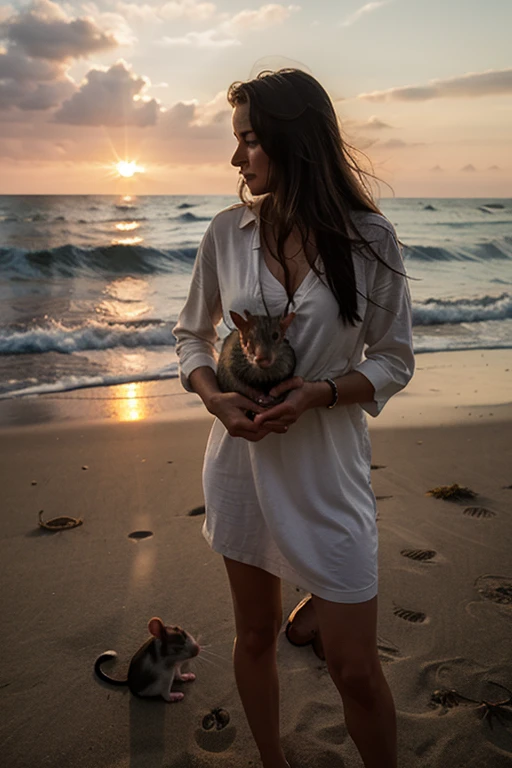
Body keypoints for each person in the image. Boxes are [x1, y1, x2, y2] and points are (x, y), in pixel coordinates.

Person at [172, 68, 414, 768]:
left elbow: (394, 359)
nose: (235, 157)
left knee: (357, 672)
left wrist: (322, 393)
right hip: (239, 467)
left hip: (326, 476)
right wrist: (214, 397)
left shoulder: (369, 239)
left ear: (291, 141)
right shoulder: (227, 233)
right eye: (236, 141)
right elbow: (191, 335)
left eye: (248, 140)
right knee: (252, 637)